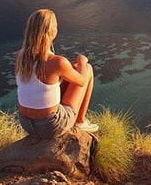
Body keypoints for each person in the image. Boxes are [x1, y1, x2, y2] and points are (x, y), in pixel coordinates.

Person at [15, 8, 99, 138]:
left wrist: (69, 67)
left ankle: (78, 121)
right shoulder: (57, 62)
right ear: (52, 32)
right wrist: (82, 61)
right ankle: (80, 121)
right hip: (50, 126)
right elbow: (81, 81)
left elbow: (41, 79)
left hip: (26, 124)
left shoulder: (20, 56)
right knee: (87, 69)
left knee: (67, 76)